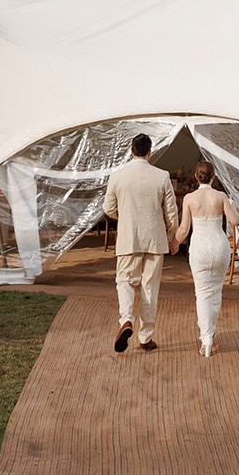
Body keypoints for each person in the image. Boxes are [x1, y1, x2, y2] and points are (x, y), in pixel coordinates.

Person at [103, 132, 179, 353]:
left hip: (128, 237)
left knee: (125, 281)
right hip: (155, 239)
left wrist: (124, 217)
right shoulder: (162, 176)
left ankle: (126, 319)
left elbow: (108, 209)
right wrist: (172, 236)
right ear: (150, 151)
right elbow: (171, 213)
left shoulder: (117, 176)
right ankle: (145, 337)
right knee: (149, 287)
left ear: (131, 150)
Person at [171, 160, 239, 357]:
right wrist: (237, 211)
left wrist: (174, 243)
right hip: (219, 247)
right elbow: (235, 221)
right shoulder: (220, 196)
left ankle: (206, 339)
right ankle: (210, 332)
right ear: (214, 176)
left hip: (200, 248)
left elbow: (184, 229)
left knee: (202, 293)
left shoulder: (189, 198)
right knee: (216, 291)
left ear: (196, 176)